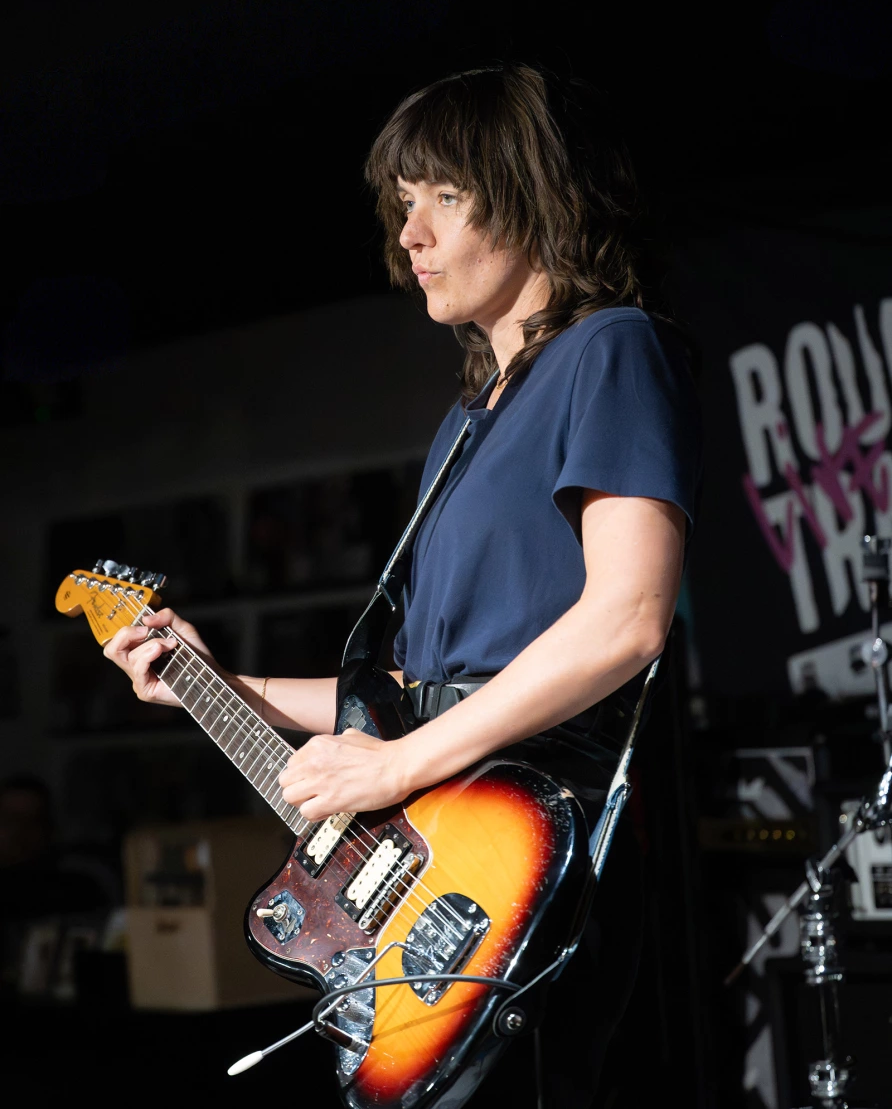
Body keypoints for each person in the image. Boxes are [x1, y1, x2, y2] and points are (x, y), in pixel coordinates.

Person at [104, 65, 701, 1107]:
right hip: (439, 854)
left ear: (531, 195)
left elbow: (627, 616)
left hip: (532, 848)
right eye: (401, 203)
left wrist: (397, 767)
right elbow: (405, 686)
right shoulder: (462, 425)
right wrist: (212, 680)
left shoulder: (610, 347)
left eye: (443, 197)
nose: (407, 235)